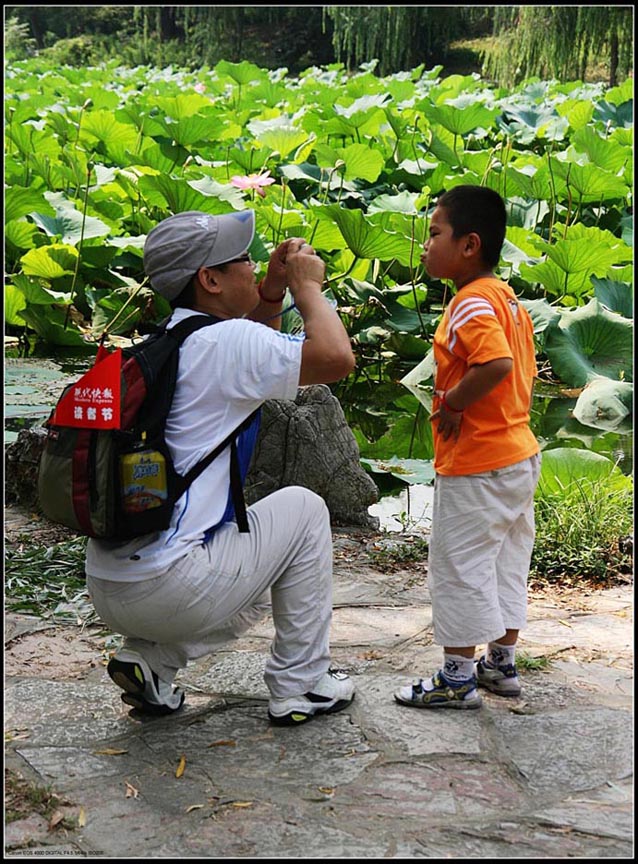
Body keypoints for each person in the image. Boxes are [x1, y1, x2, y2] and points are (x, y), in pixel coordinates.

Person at [85, 209, 357, 726]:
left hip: (111, 585)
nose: (254, 266)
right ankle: (302, 684)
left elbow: (253, 366)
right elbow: (335, 359)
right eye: (243, 261)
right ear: (209, 280)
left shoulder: (171, 341)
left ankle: (151, 660)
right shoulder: (226, 344)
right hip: (171, 589)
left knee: (243, 553)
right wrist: (307, 288)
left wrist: (271, 293)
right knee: (302, 511)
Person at [394, 185, 541, 710]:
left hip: (477, 461)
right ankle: (500, 664)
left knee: (459, 565)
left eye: (435, 234)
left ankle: (456, 677)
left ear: (469, 244)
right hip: (518, 453)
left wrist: (452, 403)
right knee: (505, 560)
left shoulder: (468, 303)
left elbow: (495, 363)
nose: (426, 246)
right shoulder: (506, 296)